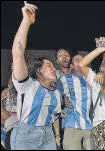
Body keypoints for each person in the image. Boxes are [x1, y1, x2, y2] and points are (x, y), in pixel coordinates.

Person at [10, 2, 61, 149]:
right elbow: (18, 53)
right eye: (48, 66)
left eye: (53, 66)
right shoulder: (28, 85)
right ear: (38, 71)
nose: (53, 68)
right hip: (26, 135)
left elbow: (55, 115)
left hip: (48, 134)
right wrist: (26, 21)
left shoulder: (56, 92)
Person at [57, 52, 93, 150]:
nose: (81, 62)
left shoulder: (92, 79)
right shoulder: (64, 79)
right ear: (72, 66)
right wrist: (61, 105)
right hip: (71, 124)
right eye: (77, 60)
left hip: (90, 126)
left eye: (83, 60)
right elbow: (52, 94)